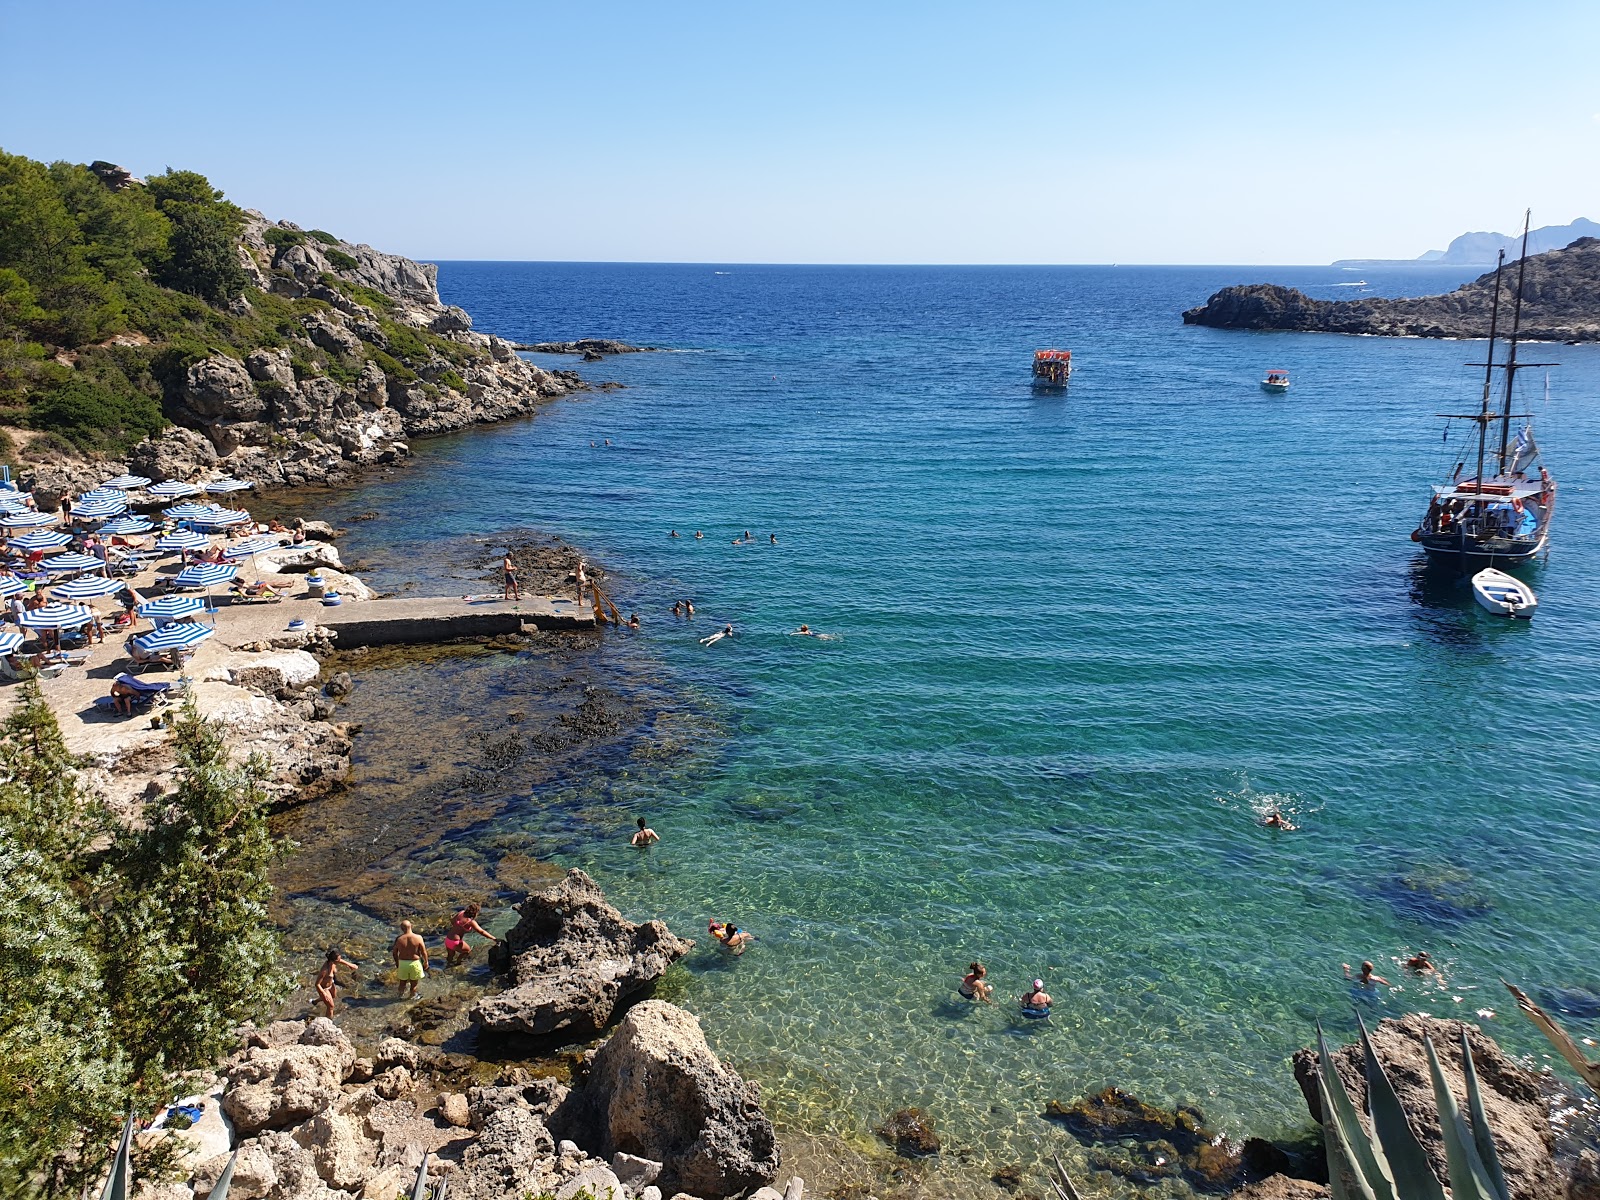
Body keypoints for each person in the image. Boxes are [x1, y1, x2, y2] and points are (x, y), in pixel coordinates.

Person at [315, 949, 359, 1018]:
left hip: (331, 984)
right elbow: (317, 984)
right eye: (338, 960)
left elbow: (340, 961)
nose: (340, 960)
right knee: (331, 1006)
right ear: (334, 960)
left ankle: (315, 1001)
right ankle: (329, 1022)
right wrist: (323, 993)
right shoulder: (324, 970)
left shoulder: (333, 963)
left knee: (333, 996)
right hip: (324, 988)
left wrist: (350, 965)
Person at [391, 920, 429, 998]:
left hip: (403, 963)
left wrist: (397, 962)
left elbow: (394, 953)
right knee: (414, 984)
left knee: (402, 983)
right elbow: (423, 952)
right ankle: (412, 998)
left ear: (402, 929)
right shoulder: (418, 937)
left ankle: (399, 996)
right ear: (411, 926)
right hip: (415, 963)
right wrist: (426, 962)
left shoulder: (399, 939)